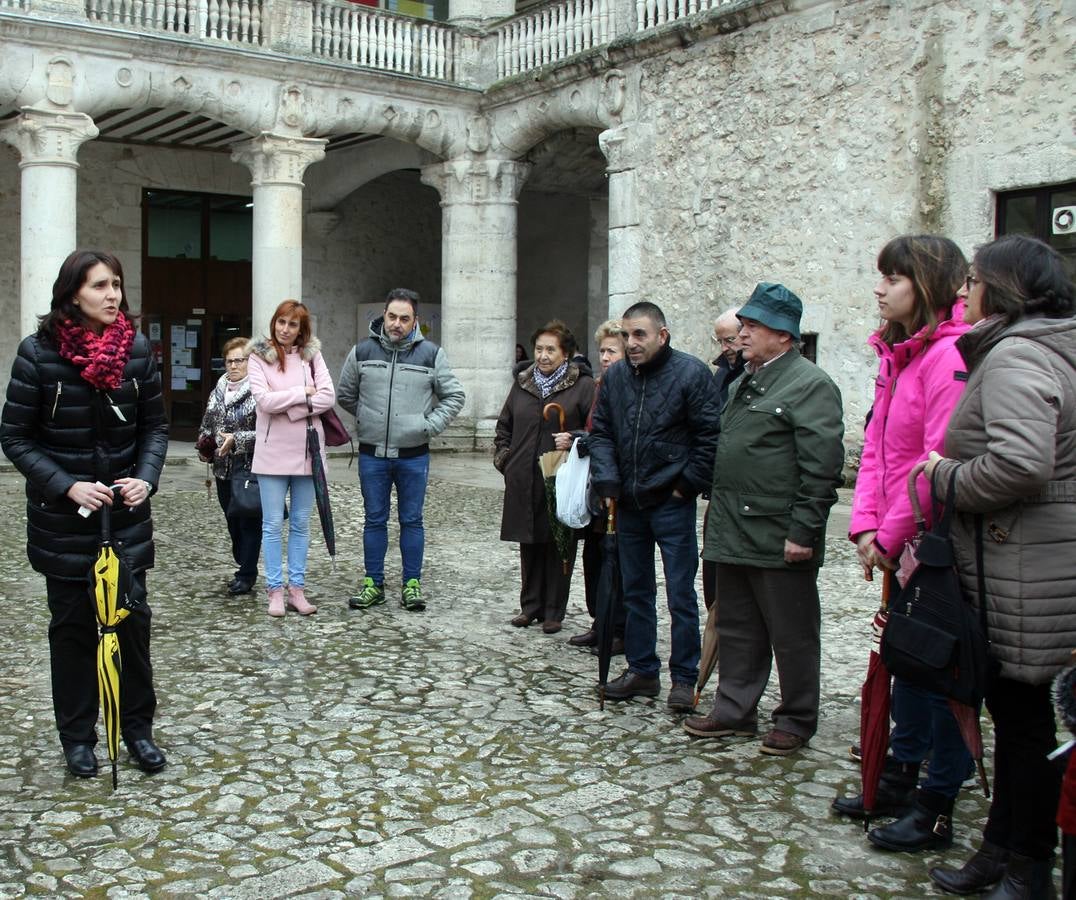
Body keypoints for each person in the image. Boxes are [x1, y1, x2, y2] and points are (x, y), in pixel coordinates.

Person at [925, 235, 1076, 898]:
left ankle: (1027, 866)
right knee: (1021, 720)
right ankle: (1002, 850)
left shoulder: (1019, 353)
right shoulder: (1049, 345)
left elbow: (1020, 463)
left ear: (1002, 288)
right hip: (1041, 560)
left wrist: (943, 475)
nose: (965, 292)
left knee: (1023, 724)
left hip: (1024, 567)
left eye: (974, 279)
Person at [829, 235, 974, 852]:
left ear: (927, 284)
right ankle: (899, 773)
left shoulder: (947, 356)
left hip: (934, 543)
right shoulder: (897, 355)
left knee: (937, 673)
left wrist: (890, 533)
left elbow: (935, 459)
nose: (879, 288)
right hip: (896, 539)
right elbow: (876, 451)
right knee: (904, 662)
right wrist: (865, 525)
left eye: (893, 278)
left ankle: (936, 801)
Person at [0, 249, 169, 778]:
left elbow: (155, 428)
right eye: (99, 285)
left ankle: (137, 730)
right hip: (63, 525)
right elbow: (15, 437)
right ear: (73, 293)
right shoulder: (38, 353)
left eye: (115, 284)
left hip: (125, 522)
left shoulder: (136, 349)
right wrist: (67, 486)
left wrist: (146, 477)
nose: (112, 294)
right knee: (72, 633)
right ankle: (77, 738)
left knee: (132, 628)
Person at [686, 283, 844, 755]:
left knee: (792, 633)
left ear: (783, 334)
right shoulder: (743, 381)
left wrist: (803, 532)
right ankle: (735, 710)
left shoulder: (810, 384)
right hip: (734, 528)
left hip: (779, 533)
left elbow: (822, 468)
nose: (742, 334)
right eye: (743, 325)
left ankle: (796, 718)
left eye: (753, 326)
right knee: (737, 626)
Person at [588, 302, 722, 712]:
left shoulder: (691, 374)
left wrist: (685, 486)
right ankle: (642, 669)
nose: (631, 343)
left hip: (671, 502)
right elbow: (601, 432)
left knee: (680, 593)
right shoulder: (616, 379)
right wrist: (608, 481)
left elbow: (709, 437)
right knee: (636, 591)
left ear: (662, 335)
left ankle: (684, 677)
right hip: (628, 502)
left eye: (640, 334)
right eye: (627, 335)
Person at [338, 288, 465, 612]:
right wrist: (368, 419)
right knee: (374, 520)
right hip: (372, 454)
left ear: (415, 321)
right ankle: (373, 584)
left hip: (413, 455)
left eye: (404, 319)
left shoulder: (432, 354)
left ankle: (412, 584)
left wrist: (427, 426)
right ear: (384, 315)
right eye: (392, 317)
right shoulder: (362, 351)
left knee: (412, 520)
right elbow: (346, 394)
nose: (397, 324)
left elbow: (454, 396)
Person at [494, 320, 594, 633]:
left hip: (560, 476)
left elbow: (594, 429)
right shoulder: (523, 383)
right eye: (539, 349)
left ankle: (553, 610)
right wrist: (506, 460)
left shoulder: (582, 386)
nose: (543, 356)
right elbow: (504, 426)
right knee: (529, 541)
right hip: (524, 476)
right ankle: (530, 606)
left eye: (551, 349)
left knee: (558, 544)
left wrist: (574, 437)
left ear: (566, 353)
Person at [246, 300, 336, 618]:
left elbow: (328, 396)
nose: (285, 329)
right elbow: (264, 401)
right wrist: (303, 393)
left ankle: (296, 588)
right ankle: (274, 590)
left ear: (301, 329)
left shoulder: (312, 356)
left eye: (292, 324)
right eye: (281, 322)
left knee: (300, 523)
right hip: (272, 452)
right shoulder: (258, 356)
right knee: (272, 524)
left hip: (308, 451)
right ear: (274, 323)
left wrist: (294, 409)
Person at [566, 320, 628, 651]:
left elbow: (616, 436)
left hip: (616, 486)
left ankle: (618, 627)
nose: (604, 357)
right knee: (594, 556)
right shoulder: (601, 385)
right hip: (595, 483)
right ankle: (599, 620)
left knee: (614, 559)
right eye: (602, 351)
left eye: (612, 351)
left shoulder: (629, 388)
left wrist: (582, 439)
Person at [197, 337, 261, 596]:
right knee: (232, 520)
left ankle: (247, 573)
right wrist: (204, 445)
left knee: (248, 522)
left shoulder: (259, 390)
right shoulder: (218, 390)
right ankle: (244, 562)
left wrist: (237, 440)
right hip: (222, 468)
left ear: (250, 362)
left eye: (239, 360)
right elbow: (207, 423)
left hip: (249, 468)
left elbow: (268, 433)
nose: (234, 366)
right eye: (229, 361)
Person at [702, 307, 747, 611]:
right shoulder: (721, 374)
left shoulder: (752, 373)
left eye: (729, 340)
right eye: (720, 341)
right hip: (718, 489)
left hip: (742, 491)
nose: (725, 348)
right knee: (713, 572)